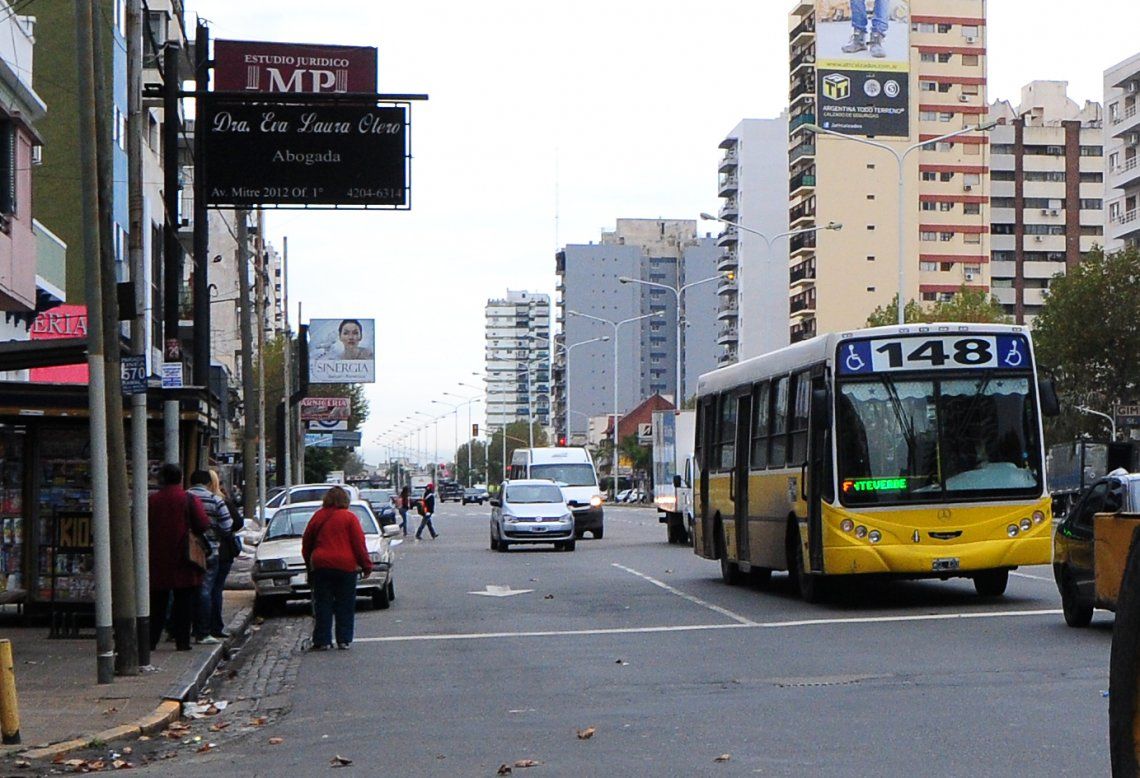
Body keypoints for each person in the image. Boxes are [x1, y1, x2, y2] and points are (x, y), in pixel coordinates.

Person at [148, 463, 210, 652]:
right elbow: (202, 524)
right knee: (184, 602)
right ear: (180, 478)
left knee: (157, 603)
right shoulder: (188, 499)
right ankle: (182, 641)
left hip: (157, 557)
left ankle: (151, 640)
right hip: (185, 558)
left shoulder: (152, 501)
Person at [302, 486, 372, 650]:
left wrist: (309, 565)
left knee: (323, 603)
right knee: (345, 603)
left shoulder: (318, 517)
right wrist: (366, 565)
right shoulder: (349, 518)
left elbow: (307, 543)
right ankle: (344, 638)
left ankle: (322, 639)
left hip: (322, 565)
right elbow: (358, 544)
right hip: (346, 566)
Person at [187, 469, 234, 644]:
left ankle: (182, 629)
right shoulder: (215, 500)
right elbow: (228, 525)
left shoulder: (185, 498)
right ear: (208, 483)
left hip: (184, 551)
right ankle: (203, 631)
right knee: (206, 590)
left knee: (186, 591)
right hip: (210, 550)